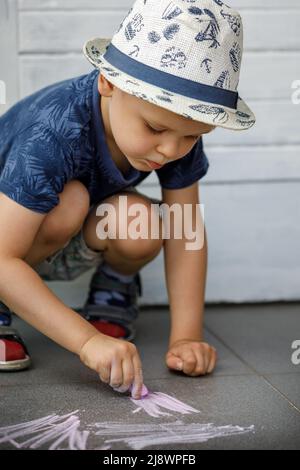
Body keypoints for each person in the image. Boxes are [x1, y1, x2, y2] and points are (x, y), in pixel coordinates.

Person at [0, 0, 255, 399]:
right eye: (155, 128)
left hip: (51, 239)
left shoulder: (173, 133)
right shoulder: (52, 130)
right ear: (109, 83)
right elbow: (2, 256)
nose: (171, 149)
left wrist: (185, 338)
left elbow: (186, 230)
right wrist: (86, 342)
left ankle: (113, 294)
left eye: (192, 136)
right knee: (68, 202)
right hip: (7, 244)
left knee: (140, 222)